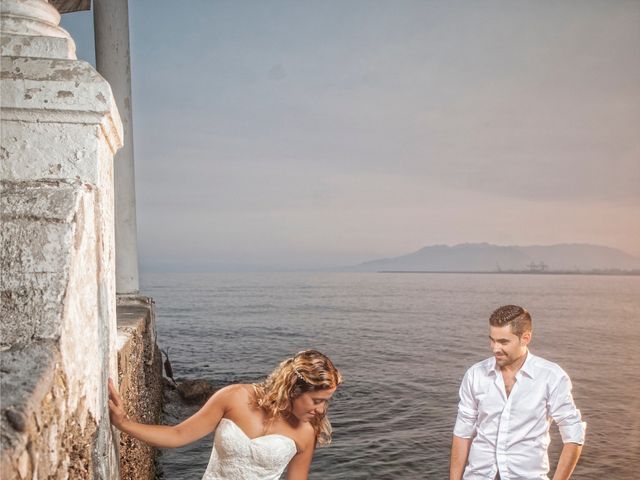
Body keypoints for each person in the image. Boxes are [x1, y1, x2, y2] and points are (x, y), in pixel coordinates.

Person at [108, 349, 342, 480]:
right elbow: (178, 435)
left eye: (325, 403)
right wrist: (124, 423)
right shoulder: (234, 397)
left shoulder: (305, 432)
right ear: (293, 389)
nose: (320, 410)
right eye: (317, 401)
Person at [450, 305, 586, 480]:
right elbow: (462, 434)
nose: (495, 348)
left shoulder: (551, 377)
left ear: (525, 338)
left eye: (504, 342)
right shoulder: (475, 374)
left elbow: (573, 435)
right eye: (492, 340)